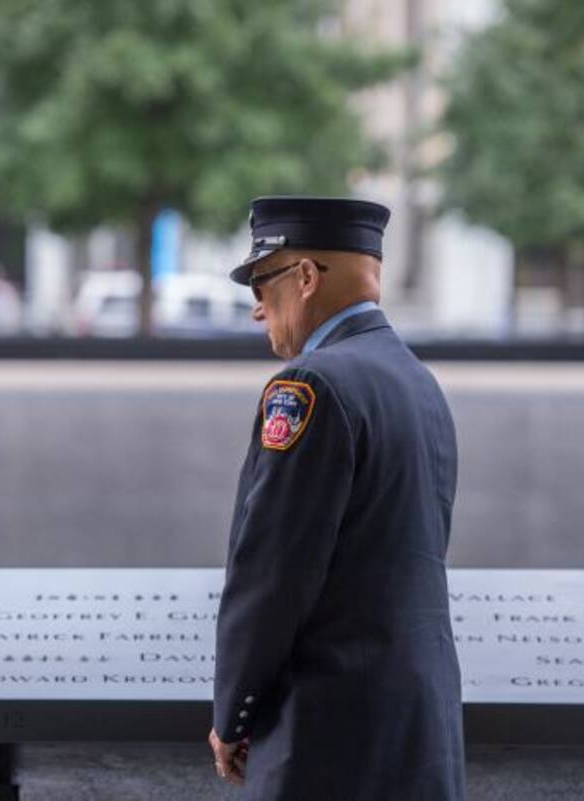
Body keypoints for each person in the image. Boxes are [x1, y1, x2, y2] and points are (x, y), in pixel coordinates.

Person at [209, 196, 465, 800]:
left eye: (262, 284)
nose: (255, 310)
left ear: (304, 278)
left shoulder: (310, 387)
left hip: (328, 738)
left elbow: (273, 571)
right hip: (418, 732)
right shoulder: (419, 384)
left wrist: (233, 715)